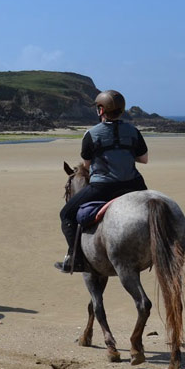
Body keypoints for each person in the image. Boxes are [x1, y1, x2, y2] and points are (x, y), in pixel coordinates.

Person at [56, 90, 149, 272]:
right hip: (135, 185)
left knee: (66, 214)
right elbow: (144, 159)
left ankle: (76, 259)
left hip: (103, 187)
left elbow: (87, 164)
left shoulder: (91, 134)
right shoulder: (134, 131)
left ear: (101, 110)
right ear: (121, 110)